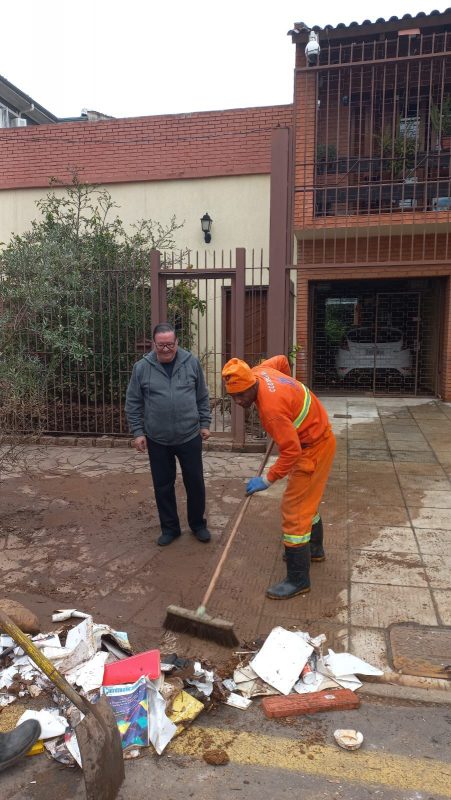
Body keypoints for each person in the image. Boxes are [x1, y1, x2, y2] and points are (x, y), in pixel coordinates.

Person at [222, 355, 336, 600]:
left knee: (294, 511)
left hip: (313, 448)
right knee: (306, 502)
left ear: (253, 384)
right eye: (233, 397)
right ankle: (314, 550)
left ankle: (298, 579)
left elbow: (291, 451)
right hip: (315, 437)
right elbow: (283, 361)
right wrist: (290, 399)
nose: (239, 401)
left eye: (242, 395)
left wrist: (267, 479)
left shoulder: (272, 412)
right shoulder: (261, 370)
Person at [125, 322, 212, 546]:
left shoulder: (191, 362)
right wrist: (138, 432)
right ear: (153, 344)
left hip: (189, 435)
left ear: (177, 343)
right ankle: (170, 528)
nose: (166, 349)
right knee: (163, 485)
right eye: (161, 345)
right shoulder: (141, 368)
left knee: (195, 483)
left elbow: (202, 396)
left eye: (170, 344)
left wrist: (205, 423)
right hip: (157, 438)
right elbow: (133, 402)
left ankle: (198, 524)